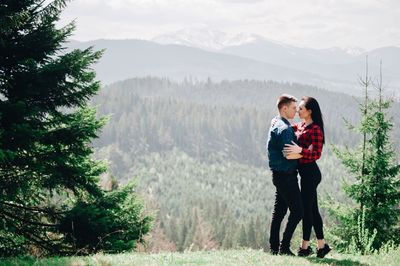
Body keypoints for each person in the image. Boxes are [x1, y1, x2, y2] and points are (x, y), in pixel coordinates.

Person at [283, 96, 331, 258]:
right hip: (305, 173)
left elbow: (316, 154)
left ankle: (305, 248)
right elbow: (289, 127)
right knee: (312, 210)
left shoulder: (315, 129)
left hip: (311, 174)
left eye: (301, 108)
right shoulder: (302, 125)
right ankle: (322, 246)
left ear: (309, 111)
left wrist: (300, 150)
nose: (298, 110)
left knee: (306, 211)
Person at [267, 94, 303, 256]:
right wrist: (307, 153)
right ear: (284, 108)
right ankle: (284, 247)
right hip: (287, 176)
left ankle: (274, 248)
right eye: (294, 108)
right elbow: (289, 154)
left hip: (278, 175)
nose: (296, 111)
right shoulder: (285, 129)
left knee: (279, 212)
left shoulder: (276, 122)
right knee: (298, 211)